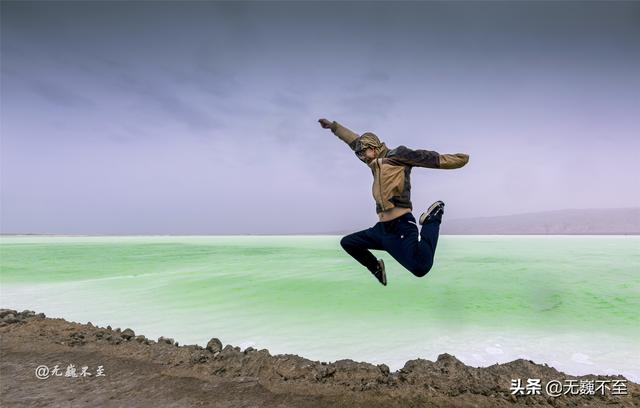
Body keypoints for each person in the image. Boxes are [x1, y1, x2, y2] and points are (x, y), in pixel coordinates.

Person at [318, 118, 469, 286]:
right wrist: (333, 127)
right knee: (348, 243)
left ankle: (432, 219)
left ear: (373, 147)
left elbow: (430, 158)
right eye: (359, 154)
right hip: (381, 231)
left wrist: (460, 160)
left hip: (401, 227)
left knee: (421, 268)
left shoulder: (398, 155)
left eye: (363, 152)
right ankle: (376, 267)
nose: (362, 157)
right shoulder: (372, 162)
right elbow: (353, 140)